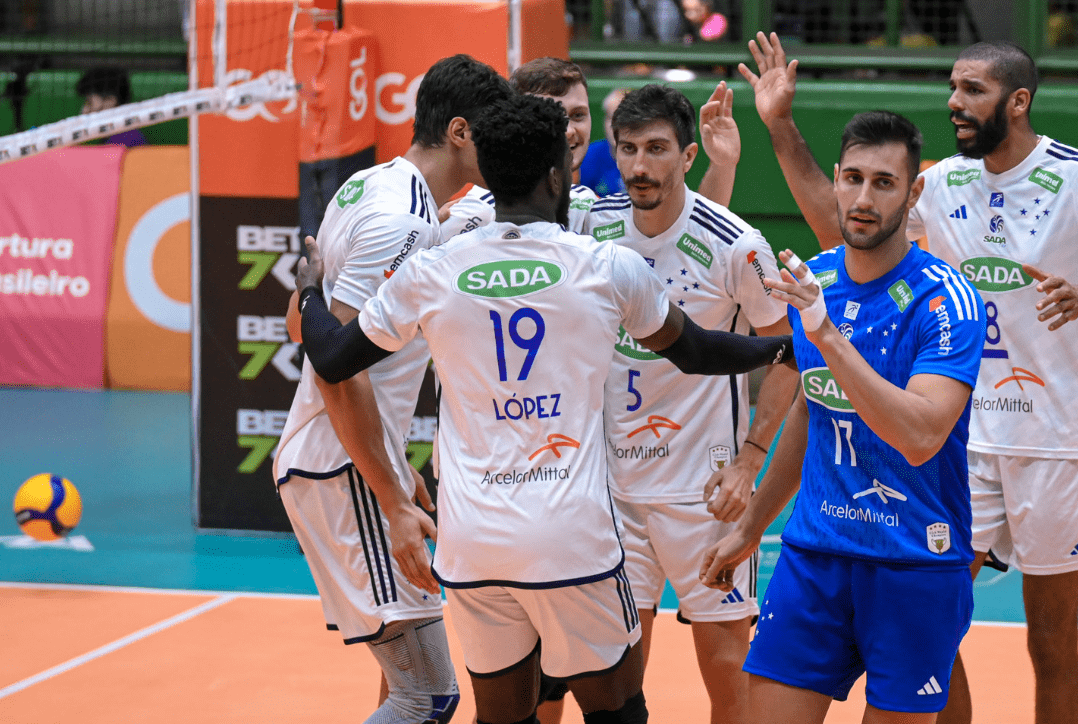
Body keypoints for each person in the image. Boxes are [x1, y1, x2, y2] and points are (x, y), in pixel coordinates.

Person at [294, 93, 795, 724]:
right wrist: (790, 346)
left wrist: (312, 290)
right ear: (557, 175)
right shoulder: (606, 266)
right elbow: (699, 352)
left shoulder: (431, 271)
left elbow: (334, 358)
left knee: (504, 716)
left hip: (474, 541)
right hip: (572, 537)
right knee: (617, 711)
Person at [737, 32, 1078, 724]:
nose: (954, 102)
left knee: (1051, 638)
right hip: (956, 435)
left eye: (972, 91)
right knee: (938, 621)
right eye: (953, 88)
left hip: (1057, 437)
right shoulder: (940, 181)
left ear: (1017, 101)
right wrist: (781, 126)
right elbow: (843, 226)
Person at [700, 109, 986, 724]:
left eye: (883, 183)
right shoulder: (818, 276)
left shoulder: (947, 300)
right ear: (834, 180)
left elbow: (920, 435)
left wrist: (826, 333)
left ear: (913, 194)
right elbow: (813, 408)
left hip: (912, 563)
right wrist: (751, 528)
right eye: (852, 178)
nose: (862, 197)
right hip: (815, 555)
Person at [274, 54, 514, 724]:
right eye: (490, 134)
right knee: (425, 695)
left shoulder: (366, 186)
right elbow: (334, 366)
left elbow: (301, 317)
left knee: (417, 690)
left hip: (344, 460)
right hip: (340, 467)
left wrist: (396, 468)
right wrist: (392, 498)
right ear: (462, 132)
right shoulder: (402, 224)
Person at [586, 83, 798, 724]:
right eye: (628, 150)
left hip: (706, 493)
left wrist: (749, 462)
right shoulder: (590, 229)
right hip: (611, 491)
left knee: (729, 668)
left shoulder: (738, 244)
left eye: (656, 149)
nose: (640, 166)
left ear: (685, 156)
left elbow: (788, 353)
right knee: (616, 674)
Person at [442, 59, 743, 240]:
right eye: (554, 116)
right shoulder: (472, 214)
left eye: (578, 115)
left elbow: (687, 229)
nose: (571, 131)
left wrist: (723, 165)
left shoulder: (589, 208)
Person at [74, 67, 147, 147]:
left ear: (109, 101)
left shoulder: (125, 138)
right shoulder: (115, 136)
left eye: (89, 102)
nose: (84, 110)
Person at [581, 88, 629, 197]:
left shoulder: (648, 159)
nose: (614, 126)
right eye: (610, 118)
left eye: (623, 119)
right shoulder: (589, 156)